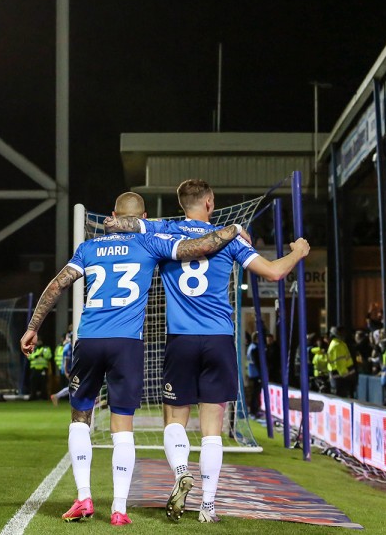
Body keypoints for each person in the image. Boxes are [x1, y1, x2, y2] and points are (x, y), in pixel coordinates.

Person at [20, 191, 245, 526]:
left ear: (115, 214)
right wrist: (233, 230)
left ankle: (84, 497)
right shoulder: (149, 243)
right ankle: (120, 509)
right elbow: (198, 248)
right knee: (122, 425)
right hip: (127, 345)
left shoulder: (89, 248)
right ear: (140, 218)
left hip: (90, 340)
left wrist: (33, 326)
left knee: (80, 417)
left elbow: (57, 285)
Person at [106, 179, 310, 524]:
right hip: (218, 340)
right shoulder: (228, 240)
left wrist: (120, 222)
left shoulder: (167, 232)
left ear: (181, 203)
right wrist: (299, 251)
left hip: (181, 339)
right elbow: (275, 273)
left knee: (174, 420)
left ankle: (181, 472)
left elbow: (126, 224)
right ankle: (209, 506)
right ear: (210, 203)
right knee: (212, 426)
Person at [327, 326, 356, 398]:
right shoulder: (337, 345)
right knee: (341, 398)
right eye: (342, 333)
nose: (344, 334)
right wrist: (346, 375)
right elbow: (340, 362)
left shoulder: (338, 344)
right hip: (341, 378)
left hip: (339, 377)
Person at [27, 336, 52, 401]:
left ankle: (44, 396)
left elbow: (49, 356)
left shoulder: (46, 348)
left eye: (39, 341)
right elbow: (29, 357)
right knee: (33, 383)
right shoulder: (32, 348)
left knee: (43, 383)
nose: (38, 342)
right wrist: (37, 355)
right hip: (34, 368)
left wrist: (42, 355)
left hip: (43, 368)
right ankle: (33, 396)